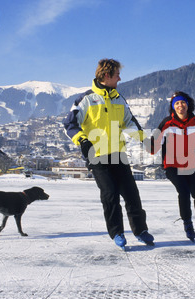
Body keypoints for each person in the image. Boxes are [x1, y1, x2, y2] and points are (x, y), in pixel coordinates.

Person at [63, 59, 154, 249]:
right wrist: (83, 140)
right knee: (110, 194)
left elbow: (129, 122)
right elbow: (70, 125)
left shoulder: (119, 99)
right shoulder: (85, 99)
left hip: (118, 154)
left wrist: (144, 139)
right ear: (106, 75)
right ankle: (117, 232)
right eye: (117, 75)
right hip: (96, 155)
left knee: (132, 194)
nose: (120, 78)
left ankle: (141, 230)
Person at [146, 91, 195, 241]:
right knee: (184, 191)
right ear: (173, 107)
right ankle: (188, 224)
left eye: (182, 102)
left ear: (188, 105)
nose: (180, 105)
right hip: (171, 166)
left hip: (189, 165)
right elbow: (154, 146)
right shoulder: (167, 123)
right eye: (176, 103)